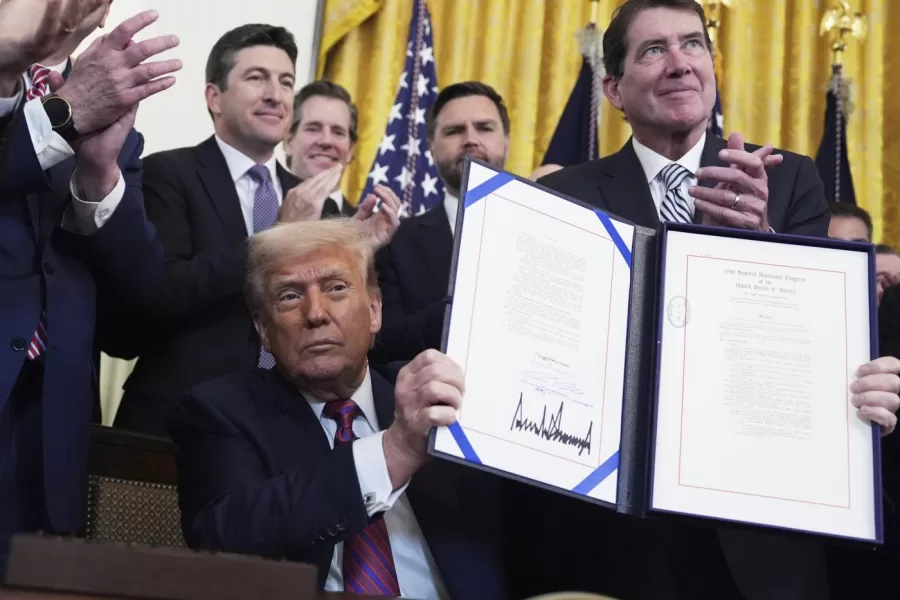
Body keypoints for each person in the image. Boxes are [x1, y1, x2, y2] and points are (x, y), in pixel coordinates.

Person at [535, 1, 900, 598]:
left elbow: (812, 351)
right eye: (654, 50)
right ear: (613, 89)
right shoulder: (569, 197)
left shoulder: (788, 180)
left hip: (761, 538)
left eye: (692, 44)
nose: (680, 63)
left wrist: (760, 247)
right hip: (619, 535)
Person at [167, 219, 507, 600]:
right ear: (263, 329)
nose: (316, 313)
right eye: (289, 296)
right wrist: (393, 452)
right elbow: (223, 540)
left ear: (375, 310)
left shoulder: (430, 397)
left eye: (337, 288)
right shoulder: (220, 411)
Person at [113, 28, 402, 436]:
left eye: (286, 82)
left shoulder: (308, 199)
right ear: (215, 97)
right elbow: (160, 292)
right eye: (256, 78)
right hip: (179, 420)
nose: (275, 94)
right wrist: (276, 236)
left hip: (284, 426)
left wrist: (358, 250)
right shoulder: (167, 173)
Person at [0, 3, 180, 569]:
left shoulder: (120, 135)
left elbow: (138, 311)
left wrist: (101, 179)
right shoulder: (62, 103)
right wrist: (63, 113)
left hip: (52, 434)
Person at [372, 81, 509, 363]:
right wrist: (458, 311)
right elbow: (380, 343)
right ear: (432, 148)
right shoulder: (394, 243)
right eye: (454, 131)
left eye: (484, 128)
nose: (470, 139)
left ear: (506, 140)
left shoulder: (548, 229)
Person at [283, 80, 358, 218]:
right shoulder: (261, 213)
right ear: (288, 142)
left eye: (338, 132)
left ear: (350, 150)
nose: (326, 141)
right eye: (313, 129)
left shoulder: (372, 232)